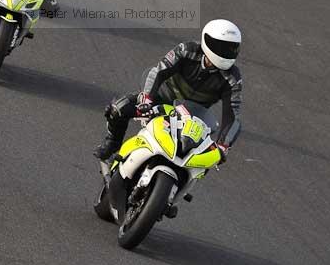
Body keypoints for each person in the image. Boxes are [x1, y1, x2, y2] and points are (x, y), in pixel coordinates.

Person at [94, 19, 242, 162]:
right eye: (222, 47)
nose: (227, 53)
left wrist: (223, 144)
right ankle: (113, 143)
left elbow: (232, 115)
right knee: (118, 109)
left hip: (192, 117)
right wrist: (147, 99)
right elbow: (158, 71)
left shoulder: (233, 78)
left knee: (201, 157)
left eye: (232, 48)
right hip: (161, 100)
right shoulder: (187, 50)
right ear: (208, 41)